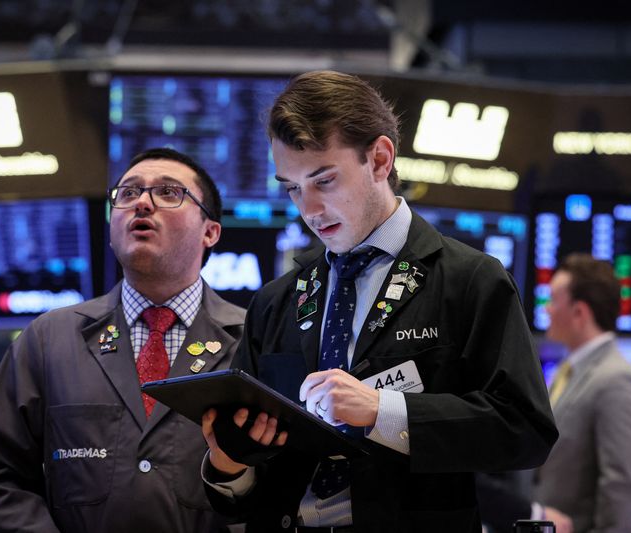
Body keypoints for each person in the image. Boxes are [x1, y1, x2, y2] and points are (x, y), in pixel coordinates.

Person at [200, 70, 558, 532]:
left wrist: (382, 411)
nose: (308, 209)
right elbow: (244, 497)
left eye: (324, 180)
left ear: (380, 160)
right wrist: (228, 465)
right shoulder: (276, 301)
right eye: (292, 187)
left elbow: (526, 430)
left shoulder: (469, 280)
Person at [0, 147, 246, 533]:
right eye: (128, 193)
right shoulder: (48, 339)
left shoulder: (251, 340)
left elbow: (285, 483)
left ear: (210, 232)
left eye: (168, 192)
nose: (142, 203)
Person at [534, 253, 631, 532]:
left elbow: (624, 487)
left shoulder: (617, 380)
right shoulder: (568, 370)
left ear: (580, 313)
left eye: (553, 300)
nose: (546, 309)